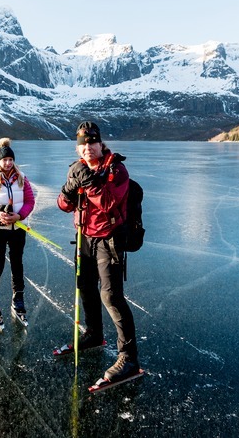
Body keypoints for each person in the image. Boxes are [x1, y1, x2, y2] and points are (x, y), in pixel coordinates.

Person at [56, 121, 140, 382]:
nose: (88, 148)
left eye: (92, 142)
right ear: (77, 147)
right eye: (83, 144)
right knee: (86, 287)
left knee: (111, 296)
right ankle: (94, 334)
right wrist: (69, 189)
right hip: (84, 238)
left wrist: (86, 180)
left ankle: (129, 358)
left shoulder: (117, 170)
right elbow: (63, 205)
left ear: (101, 144)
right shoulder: (79, 168)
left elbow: (108, 203)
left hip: (109, 240)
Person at [0, 138, 35, 322]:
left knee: (17, 263)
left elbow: (30, 201)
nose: (8, 163)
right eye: (4, 160)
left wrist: (19, 216)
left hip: (18, 227)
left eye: (10, 159)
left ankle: (18, 298)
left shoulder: (22, 178)